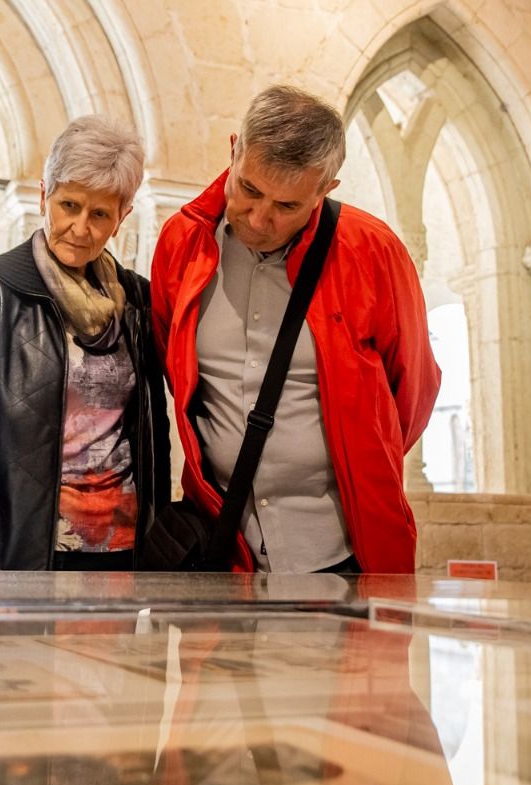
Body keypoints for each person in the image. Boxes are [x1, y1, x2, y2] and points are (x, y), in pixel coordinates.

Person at [151, 85, 440, 574]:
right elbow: (170, 364)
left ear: (326, 189)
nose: (260, 219)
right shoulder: (183, 244)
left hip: (342, 549)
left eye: (287, 207)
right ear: (234, 150)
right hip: (225, 545)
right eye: (249, 189)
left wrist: (356, 455)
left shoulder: (373, 253)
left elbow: (411, 393)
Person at [0, 116, 170, 571]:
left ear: (122, 218)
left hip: (120, 547)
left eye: (100, 214)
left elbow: (151, 431)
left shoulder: (137, 300)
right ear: (44, 196)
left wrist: (156, 538)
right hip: (24, 546)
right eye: (69, 205)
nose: (81, 227)